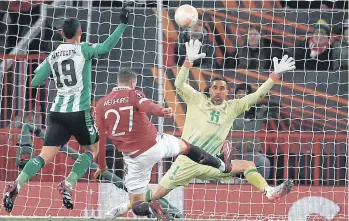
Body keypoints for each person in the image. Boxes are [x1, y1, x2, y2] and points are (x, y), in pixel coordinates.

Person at [106, 40, 295, 220]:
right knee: (156, 193)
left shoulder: (233, 107)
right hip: (187, 161)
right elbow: (179, 84)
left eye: (222, 88)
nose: (218, 91)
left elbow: (257, 95)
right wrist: (188, 61)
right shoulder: (197, 99)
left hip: (211, 161)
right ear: (210, 90)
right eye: (215, 87)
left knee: (248, 165)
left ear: (227, 92)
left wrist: (274, 76)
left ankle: (269, 192)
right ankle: (123, 207)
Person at [2, 5, 130, 212]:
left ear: (61, 34)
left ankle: (17, 183)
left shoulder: (53, 55)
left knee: (43, 156)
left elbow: (34, 82)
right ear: (80, 32)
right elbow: (105, 48)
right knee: (92, 150)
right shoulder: (84, 49)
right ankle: (68, 183)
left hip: (57, 113)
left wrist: (48, 71)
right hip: (79, 112)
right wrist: (123, 24)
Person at [94, 69, 232, 220]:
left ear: (117, 82)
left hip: (134, 159)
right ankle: (221, 165)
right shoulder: (134, 94)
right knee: (187, 147)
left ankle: (149, 208)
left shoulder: (101, 105)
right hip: (156, 144)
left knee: (136, 204)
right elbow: (147, 106)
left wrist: (102, 166)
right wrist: (162, 111)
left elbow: (99, 138)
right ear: (133, 83)